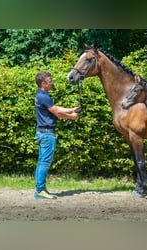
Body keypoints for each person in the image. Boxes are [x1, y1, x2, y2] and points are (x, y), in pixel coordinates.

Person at [34, 71, 81, 199]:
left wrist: (72, 109)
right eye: (50, 81)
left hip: (42, 132)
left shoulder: (42, 95)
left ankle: (40, 190)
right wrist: (72, 117)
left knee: (41, 162)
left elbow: (55, 108)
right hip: (47, 134)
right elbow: (57, 113)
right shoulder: (44, 96)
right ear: (43, 83)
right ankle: (39, 191)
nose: (51, 83)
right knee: (44, 163)